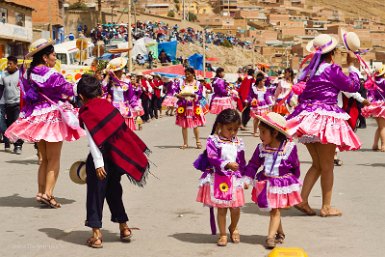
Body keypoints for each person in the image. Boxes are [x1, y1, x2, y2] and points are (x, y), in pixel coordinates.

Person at [286, 34, 361, 217]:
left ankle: (302, 200)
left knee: (318, 164)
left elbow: (303, 94)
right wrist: (353, 67)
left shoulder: (310, 72)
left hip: (308, 119)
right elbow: (353, 87)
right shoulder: (332, 70)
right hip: (325, 119)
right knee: (327, 166)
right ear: (333, 52)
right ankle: (326, 207)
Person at [5, 39, 85, 208]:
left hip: (36, 117)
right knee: (54, 158)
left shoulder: (28, 73)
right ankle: (48, 194)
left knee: (43, 159)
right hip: (51, 117)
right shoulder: (51, 74)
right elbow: (68, 90)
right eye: (54, 55)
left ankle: (41, 192)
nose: (55, 58)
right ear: (45, 57)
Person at [77, 75, 150, 248]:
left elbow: (93, 139)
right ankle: (124, 227)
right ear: (100, 91)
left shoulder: (87, 111)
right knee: (114, 191)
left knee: (96, 194)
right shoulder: (107, 106)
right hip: (116, 156)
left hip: (101, 158)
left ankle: (96, 235)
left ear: (81, 96)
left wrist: (98, 163)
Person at [244, 112, 302, 249]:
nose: (260, 136)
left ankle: (270, 237)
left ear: (275, 133)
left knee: (275, 210)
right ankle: (280, 232)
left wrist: (294, 182)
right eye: (260, 132)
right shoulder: (261, 148)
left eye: (263, 132)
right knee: (274, 210)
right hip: (266, 183)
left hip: (281, 184)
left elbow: (295, 166)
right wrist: (247, 178)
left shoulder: (288, 148)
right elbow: (253, 164)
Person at [194, 109, 246, 246]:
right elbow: (212, 158)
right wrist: (227, 164)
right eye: (230, 129)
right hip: (219, 178)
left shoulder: (238, 142)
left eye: (236, 129)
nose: (233, 132)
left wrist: (244, 177)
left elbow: (242, 161)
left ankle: (233, 227)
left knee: (236, 208)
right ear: (219, 126)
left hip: (235, 179)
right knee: (222, 209)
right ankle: (222, 234)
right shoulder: (213, 141)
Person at [102, 57, 141, 131]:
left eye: (120, 70)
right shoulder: (110, 82)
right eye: (117, 71)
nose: (120, 72)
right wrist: (107, 75)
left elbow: (131, 96)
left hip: (124, 109)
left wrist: (135, 106)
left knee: (126, 133)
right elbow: (103, 88)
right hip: (113, 109)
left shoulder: (126, 82)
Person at [175, 67, 206, 149]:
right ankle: (185, 143)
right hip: (183, 106)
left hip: (193, 106)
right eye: (186, 74)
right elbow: (176, 92)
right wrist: (179, 95)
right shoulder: (181, 83)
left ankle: (198, 141)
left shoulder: (198, 84)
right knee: (184, 125)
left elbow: (199, 95)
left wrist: (193, 95)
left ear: (193, 74)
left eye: (189, 74)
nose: (187, 75)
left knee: (195, 125)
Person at [0, 56, 23, 153]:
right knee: (9, 126)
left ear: (15, 64)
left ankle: (18, 145)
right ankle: (10, 142)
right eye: (8, 64)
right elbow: (0, 90)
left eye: (11, 64)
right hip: (7, 104)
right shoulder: (3, 75)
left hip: (17, 104)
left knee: (17, 124)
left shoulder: (20, 74)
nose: (9, 65)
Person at [362, 64, 385, 151]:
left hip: (375, 107)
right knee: (382, 127)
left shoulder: (373, 82)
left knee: (380, 126)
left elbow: (370, 96)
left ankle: (375, 145)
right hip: (383, 106)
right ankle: (383, 146)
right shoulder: (384, 82)